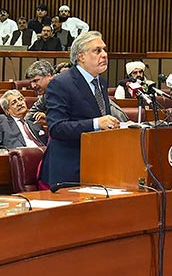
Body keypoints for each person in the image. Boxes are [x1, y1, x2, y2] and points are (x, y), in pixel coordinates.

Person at [41, 31, 129, 185]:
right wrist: (96, 124)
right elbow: (57, 127)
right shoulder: (61, 83)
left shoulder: (101, 82)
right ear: (81, 56)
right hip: (69, 167)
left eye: (104, 50)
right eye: (97, 50)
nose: (104, 55)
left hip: (97, 164)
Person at [24, 60, 54, 125]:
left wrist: (48, 119)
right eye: (31, 82)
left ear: (49, 76)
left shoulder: (65, 87)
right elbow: (30, 114)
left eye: (35, 81)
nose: (33, 86)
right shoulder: (46, 94)